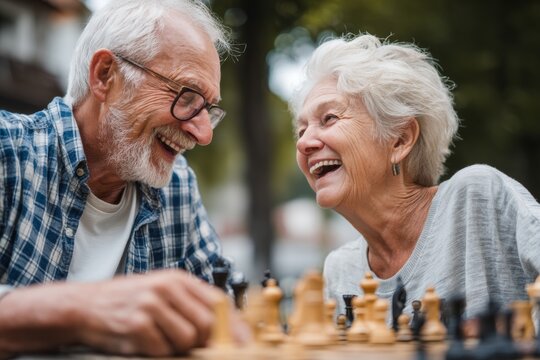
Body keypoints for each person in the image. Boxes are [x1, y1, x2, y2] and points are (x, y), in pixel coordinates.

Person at [0, 0, 249, 356]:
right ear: (105, 76)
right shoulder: (7, 152)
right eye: (187, 96)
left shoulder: (177, 185)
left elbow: (223, 314)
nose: (203, 133)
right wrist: (82, 309)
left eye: (208, 109)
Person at [289, 33, 540, 324]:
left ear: (400, 140)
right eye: (301, 130)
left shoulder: (476, 197)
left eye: (329, 118)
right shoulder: (340, 270)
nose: (304, 143)